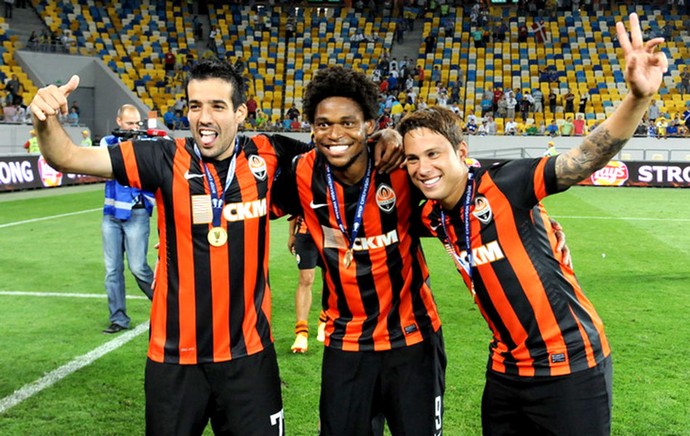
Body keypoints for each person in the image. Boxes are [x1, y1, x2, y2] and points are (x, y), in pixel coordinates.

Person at [30, 59, 402, 435]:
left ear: (240, 112)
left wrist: (387, 138)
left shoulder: (269, 154)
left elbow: (338, 148)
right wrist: (45, 120)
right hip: (174, 359)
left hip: (249, 358)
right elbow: (68, 156)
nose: (204, 118)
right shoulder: (161, 157)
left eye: (217, 106)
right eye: (195, 106)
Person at [397, 13, 666, 435]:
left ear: (461, 151)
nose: (422, 167)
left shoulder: (507, 183)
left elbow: (582, 161)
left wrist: (637, 98)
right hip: (505, 370)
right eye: (413, 158)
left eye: (434, 154)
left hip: (571, 364)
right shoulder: (430, 214)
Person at [274, 66, 445, 436]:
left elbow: (464, 187)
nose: (335, 134)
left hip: (412, 339)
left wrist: (398, 134)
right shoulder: (301, 173)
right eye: (323, 124)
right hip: (346, 343)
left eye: (348, 122)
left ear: (369, 124)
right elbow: (243, 201)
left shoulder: (401, 167)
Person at [287, 215, 326, 353]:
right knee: (306, 278)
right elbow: (292, 206)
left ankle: (325, 320)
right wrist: (291, 234)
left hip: (331, 231)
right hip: (306, 232)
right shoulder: (302, 191)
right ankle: (301, 333)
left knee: (330, 277)